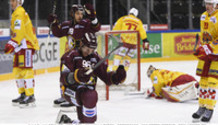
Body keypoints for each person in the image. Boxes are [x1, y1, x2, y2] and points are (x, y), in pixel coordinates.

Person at [56, 32, 126, 123]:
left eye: (92, 49)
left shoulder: (95, 57)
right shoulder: (70, 56)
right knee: (90, 96)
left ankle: (65, 121)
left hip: (87, 91)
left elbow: (106, 77)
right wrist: (78, 75)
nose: (89, 52)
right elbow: (63, 78)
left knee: (88, 120)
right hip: (70, 91)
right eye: (87, 49)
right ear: (81, 44)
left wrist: (116, 77)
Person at [47, 4, 101, 107]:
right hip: (70, 56)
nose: (80, 16)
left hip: (82, 56)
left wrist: (93, 17)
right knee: (64, 75)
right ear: (72, 14)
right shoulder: (67, 25)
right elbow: (58, 33)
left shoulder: (86, 23)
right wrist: (54, 23)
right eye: (77, 14)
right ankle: (64, 96)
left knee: (76, 76)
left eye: (81, 14)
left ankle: (74, 97)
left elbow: (97, 27)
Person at [4, 0, 39, 108]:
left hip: (26, 46)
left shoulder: (19, 12)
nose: (11, 3)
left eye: (13, 1)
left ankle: (30, 95)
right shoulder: (16, 13)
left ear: (19, 2)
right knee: (18, 70)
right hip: (20, 46)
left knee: (26, 70)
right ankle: (23, 93)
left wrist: (12, 43)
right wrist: (14, 43)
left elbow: (20, 32)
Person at [192, 0, 218, 122]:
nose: (208, 6)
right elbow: (203, 35)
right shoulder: (203, 16)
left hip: (216, 54)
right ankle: (201, 107)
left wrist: (211, 47)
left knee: (212, 82)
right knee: (203, 81)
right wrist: (200, 47)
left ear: (216, 5)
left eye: (210, 4)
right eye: (206, 3)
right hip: (205, 53)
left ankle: (210, 108)